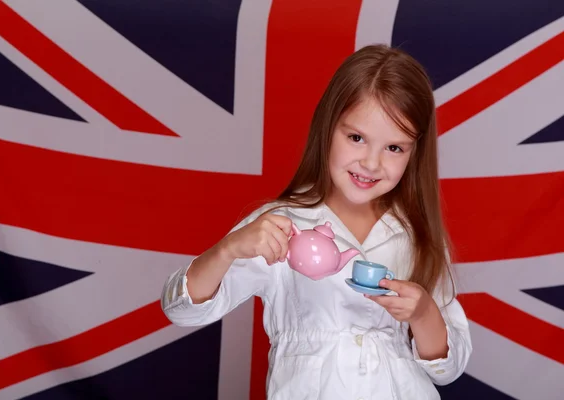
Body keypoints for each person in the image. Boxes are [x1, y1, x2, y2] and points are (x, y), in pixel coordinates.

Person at [161, 44, 472, 400]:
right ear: (327, 129)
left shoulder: (418, 237)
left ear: (414, 153)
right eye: (356, 138)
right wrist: (228, 249)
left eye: (394, 148)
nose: (371, 163)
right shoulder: (280, 225)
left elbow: (448, 369)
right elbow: (181, 310)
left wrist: (422, 312)